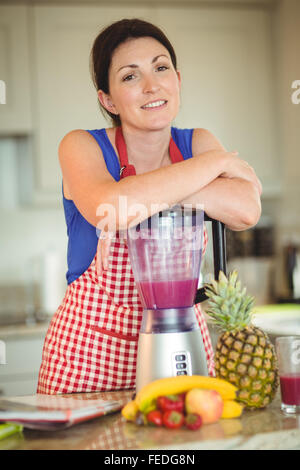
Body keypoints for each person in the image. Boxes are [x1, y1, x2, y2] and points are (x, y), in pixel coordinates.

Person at [37, 18, 262, 394]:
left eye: (160, 68)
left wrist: (141, 194)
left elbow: (244, 210)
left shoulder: (196, 142)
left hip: (182, 341)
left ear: (177, 79)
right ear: (107, 100)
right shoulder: (81, 146)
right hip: (89, 355)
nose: (151, 85)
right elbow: (111, 206)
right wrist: (213, 168)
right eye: (129, 76)